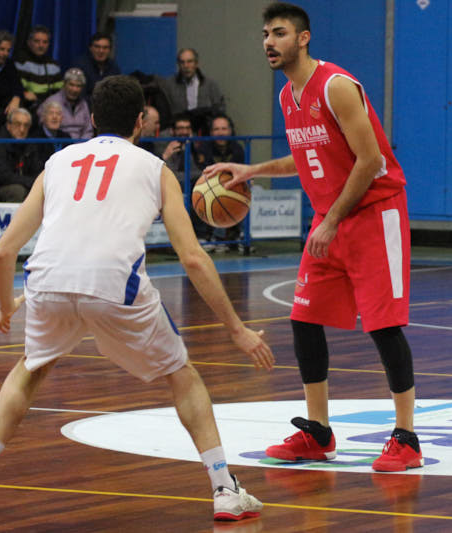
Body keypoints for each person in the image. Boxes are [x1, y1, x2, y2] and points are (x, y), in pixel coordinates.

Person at [0, 75, 271, 522]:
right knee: (182, 374)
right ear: (141, 122)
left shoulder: (57, 162)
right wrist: (236, 328)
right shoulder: (155, 169)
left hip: (47, 281)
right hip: (115, 285)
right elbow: (193, 258)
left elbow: (3, 251)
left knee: (29, 369)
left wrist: (4, 306)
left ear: (93, 119)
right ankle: (224, 489)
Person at [204, 2, 423, 473]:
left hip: (374, 213)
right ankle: (318, 433)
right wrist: (251, 170)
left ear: (303, 39)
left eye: (279, 33)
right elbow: (305, 157)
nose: (269, 42)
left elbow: (370, 160)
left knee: (383, 325)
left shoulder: (336, 86)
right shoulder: (289, 95)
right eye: (265, 34)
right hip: (331, 218)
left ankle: (407, 438)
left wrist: (331, 220)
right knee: (304, 319)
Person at [162, 113, 212, 244]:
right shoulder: (165, 145)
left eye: (187, 128)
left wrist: (192, 149)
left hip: (194, 183)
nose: (184, 131)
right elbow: (169, 172)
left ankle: (207, 236)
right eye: (180, 128)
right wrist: (166, 155)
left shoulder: (198, 145)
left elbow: (202, 169)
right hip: (174, 185)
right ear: (173, 131)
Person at [203, 114, 246, 253]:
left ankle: (241, 236)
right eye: (216, 129)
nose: (220, 133)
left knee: (246, 193)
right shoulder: (204, 148)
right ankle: (217, 238)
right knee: (219, 197)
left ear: (230, 131)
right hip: (208, 187)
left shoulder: (238, 149)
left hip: (232, 185)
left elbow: (242, 171)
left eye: (224, 129)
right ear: (211, 132)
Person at [158, 48, 225, 134]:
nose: (186, 66)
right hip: (177, 131)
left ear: (196, 63)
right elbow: (165, 113)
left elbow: (220, 109)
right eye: (182, 62)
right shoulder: (169, 85)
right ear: (178, 65)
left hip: (204, 131)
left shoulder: (210, 84)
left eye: (189, 62)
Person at [13, 25, 63, 110]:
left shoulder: (54, 65)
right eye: (37, 41)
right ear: (29, 42)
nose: (41, 45)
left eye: (45, 42)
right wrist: (24, 94)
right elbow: (16, 88)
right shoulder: (21, 62)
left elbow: (59, 92)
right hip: (26, 106)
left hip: (48, 107)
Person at [41, 68, 93, 139]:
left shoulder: (84, 104)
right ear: (64, 84)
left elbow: (88, 130)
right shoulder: (51, 101)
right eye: (71, 85)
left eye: (78, 86)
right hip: (59, 142)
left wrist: (81, 144)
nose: (74, 89)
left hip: (81, 143)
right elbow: (43, 128)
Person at [71, 31, 120, 100]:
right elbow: (78, 96)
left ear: (110, 50)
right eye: (97, 47)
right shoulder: (80, 66)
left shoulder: (114, 68)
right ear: (90, 48)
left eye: (105, 47)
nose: (101, 51)